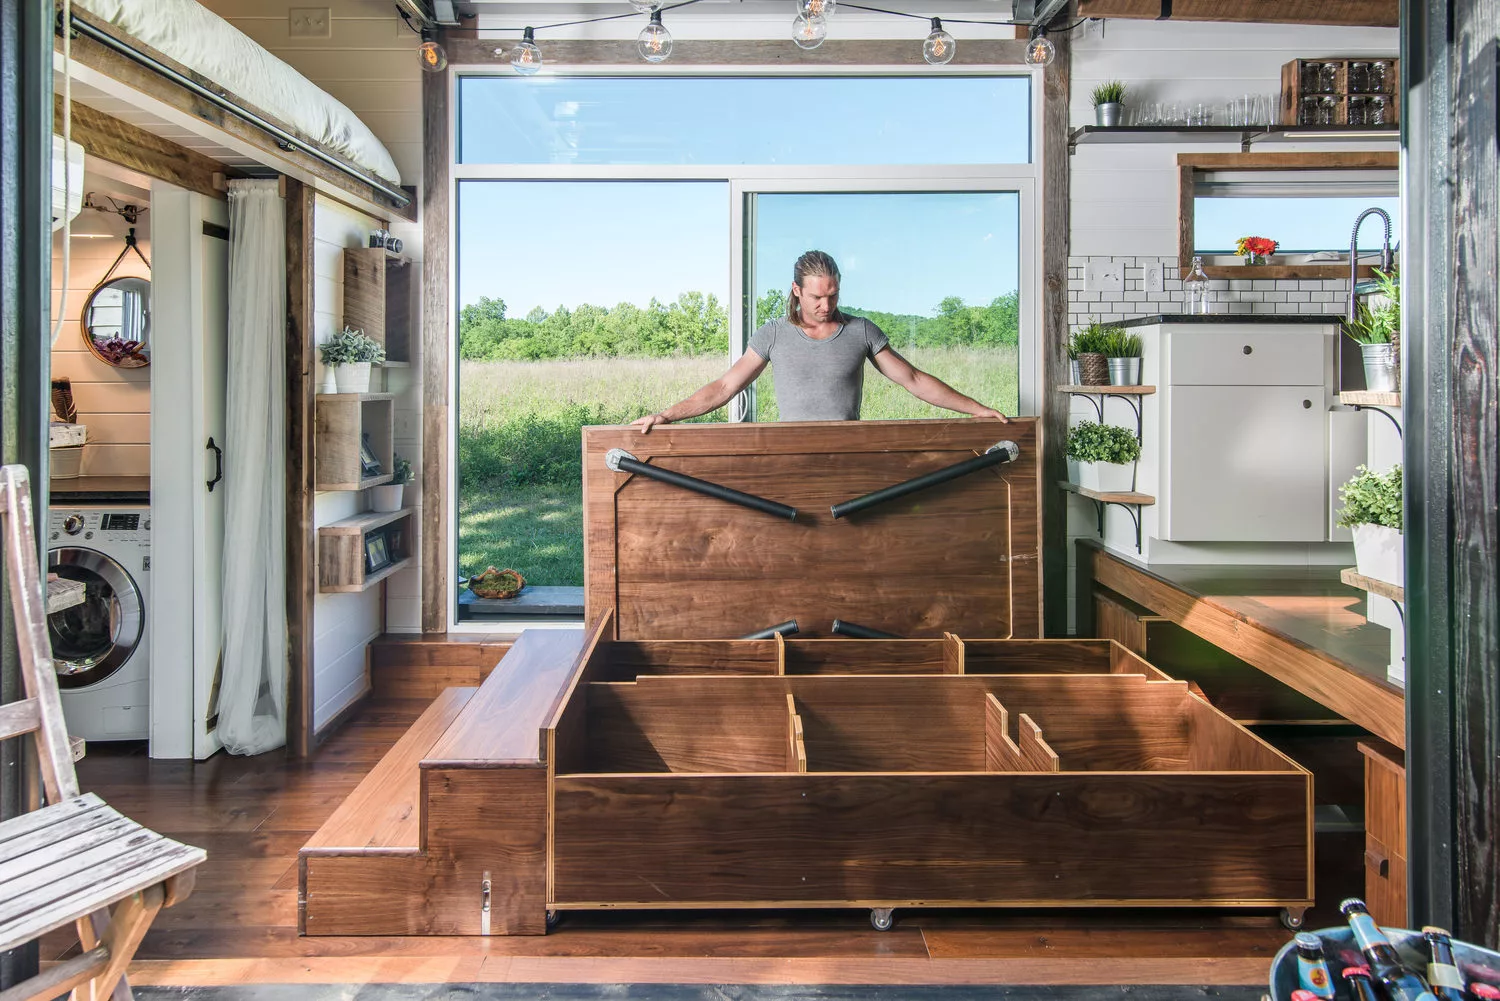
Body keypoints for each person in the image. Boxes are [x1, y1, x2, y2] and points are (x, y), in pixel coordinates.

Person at [629, 250, 1008, 432]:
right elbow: (725, 386)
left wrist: (976, 409)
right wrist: (665, 416)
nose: (826, 305)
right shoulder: (773, 334)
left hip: (848, 454)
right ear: (797, 291)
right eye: (816, 298)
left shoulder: (862, 331)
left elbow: (913, 380)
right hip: (790, 453)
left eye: (833, 295)